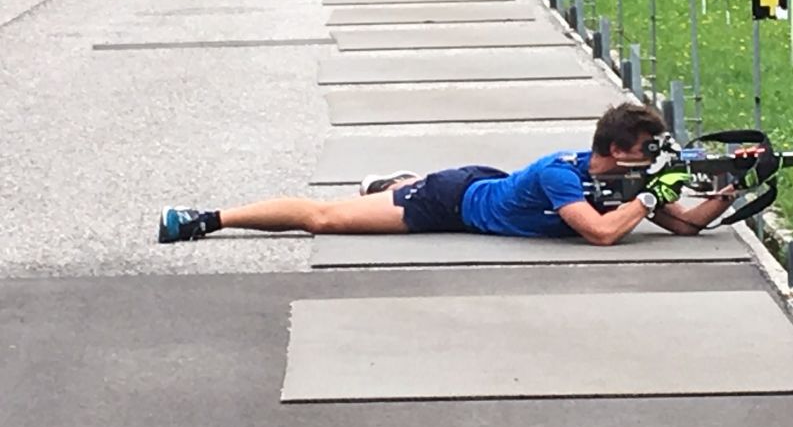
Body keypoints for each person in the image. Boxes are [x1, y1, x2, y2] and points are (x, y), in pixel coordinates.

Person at [157, 103, 736, 246]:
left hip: (491, 185)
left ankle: (390, 184)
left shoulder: (632, 182)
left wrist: (731, 191)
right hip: (450, 200)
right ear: (615, 148)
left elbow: (684, 226)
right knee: (326, 219)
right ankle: (205, 218)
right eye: (645, 149)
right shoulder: (564, 174)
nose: (652, 157)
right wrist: (654, 194)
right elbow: (603, 233)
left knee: (374, 200)